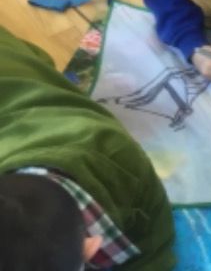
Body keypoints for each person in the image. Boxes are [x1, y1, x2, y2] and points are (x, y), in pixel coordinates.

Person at [0, 26, 175, 270]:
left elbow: (154, 245)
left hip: (20, 73)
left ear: (91, 247)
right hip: (14, 70)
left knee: (34, 67)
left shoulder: (124, 168)